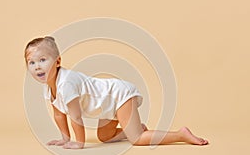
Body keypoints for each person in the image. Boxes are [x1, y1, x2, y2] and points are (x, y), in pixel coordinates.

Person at [24, 36, 209, 149]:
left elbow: (76, 117)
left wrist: (78, 143)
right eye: (32, 63)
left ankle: (180, 134)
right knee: (104, 137)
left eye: (42, 60)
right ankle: (135, 128)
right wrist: (65, 139)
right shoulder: (49, 87)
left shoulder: (66, 83)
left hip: (117, 95)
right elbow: (58, 114)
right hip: (106, 106)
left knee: (136, 139)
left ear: (57, 61)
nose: (37, 66)